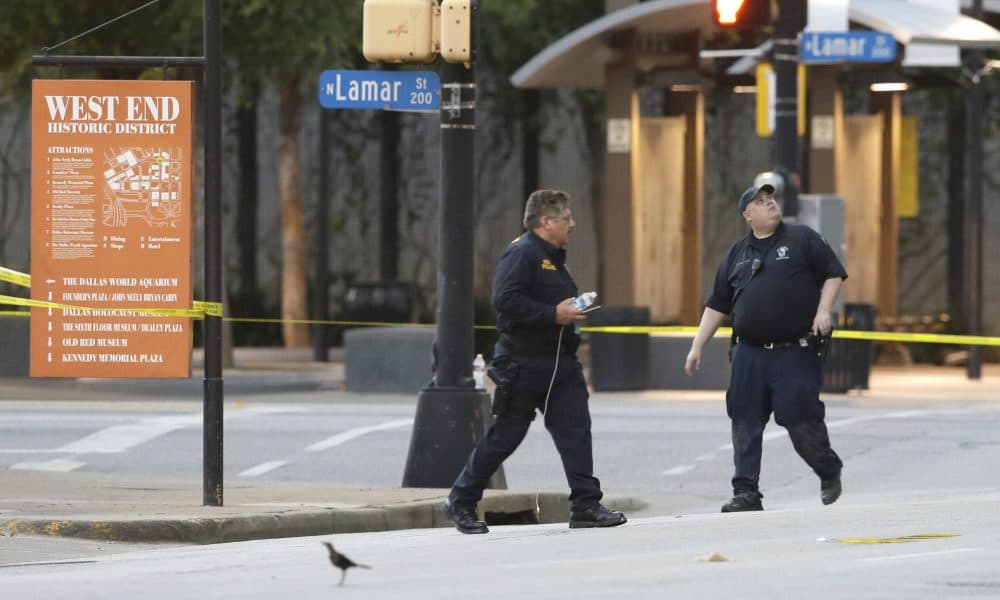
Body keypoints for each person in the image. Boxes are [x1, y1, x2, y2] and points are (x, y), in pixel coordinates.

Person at [442, 189, 627, 533]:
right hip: (523, 362)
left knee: (575, 432)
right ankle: (461, 500)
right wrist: (551, 314)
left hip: (560, 364)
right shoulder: (522, 253)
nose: (572, 224)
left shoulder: (553, 256)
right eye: (566, 218)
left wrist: (570, 310)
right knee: (506, 435)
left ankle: (586, 504)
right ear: (546, 222)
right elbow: (505, 300)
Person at [684, 183, 846, 512]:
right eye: (760, 201)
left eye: (769, 198)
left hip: (794, 350)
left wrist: (823, 310)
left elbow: (833, 273)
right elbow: (717, 304)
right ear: (748, 215)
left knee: (799, 419)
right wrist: (697, 345)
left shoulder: (802, 238)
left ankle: (827, 468)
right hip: (749, 353)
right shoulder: (736, 254)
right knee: (744, 421)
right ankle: (746, 492)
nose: (769, 202)